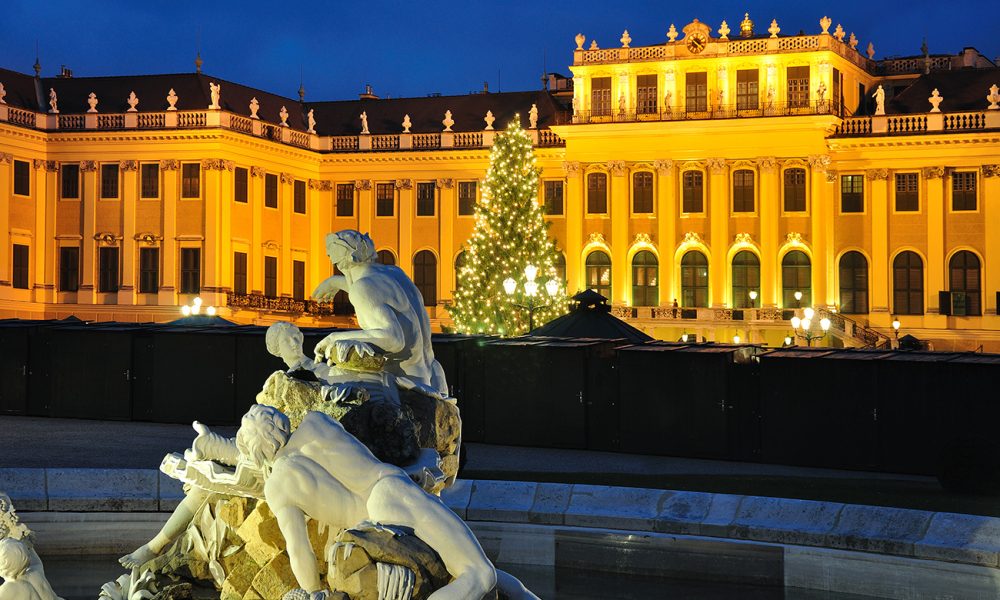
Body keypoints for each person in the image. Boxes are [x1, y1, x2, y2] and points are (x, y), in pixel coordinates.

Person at [123, 406, 536, 599]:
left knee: (473, 574)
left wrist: (314, 594)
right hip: (390, 492)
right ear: (279, 422)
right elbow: (262, 454)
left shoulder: (280, 485)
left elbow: (299, 551)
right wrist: (224, 447)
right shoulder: (317, 424)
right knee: (479, 572)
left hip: (372, 522)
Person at [311, 231, 448, 397]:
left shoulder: (362, 288)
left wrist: (334, 338)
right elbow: (371, 292)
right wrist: (335, 282)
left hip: (404, 388)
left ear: (338, 260)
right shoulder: (394, 273)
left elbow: (394, 339)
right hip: (430, 377)